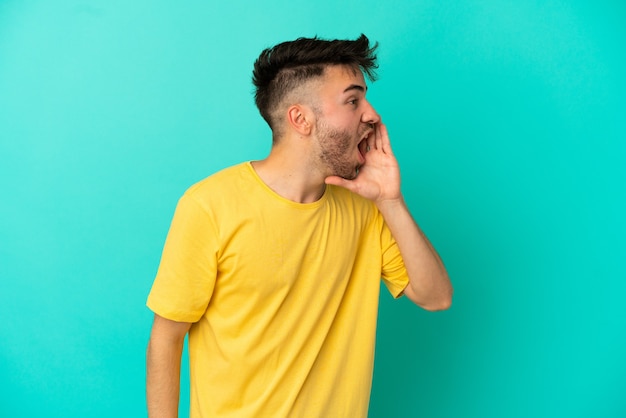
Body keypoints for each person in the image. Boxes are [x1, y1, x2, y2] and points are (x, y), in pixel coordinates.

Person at [146, 34, 452, 418]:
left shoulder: (366, 208)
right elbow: (166, 337)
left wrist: (391, 201)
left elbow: (436, 297)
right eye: (353, 100)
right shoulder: (209, 206)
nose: (371, 114)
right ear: (300, 119)